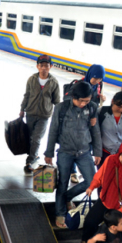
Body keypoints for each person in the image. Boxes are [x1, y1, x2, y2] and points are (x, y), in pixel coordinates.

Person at [44, 81, 102, 228]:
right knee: (62, 183)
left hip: (84, 152)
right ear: (73, 97)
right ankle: (60, 213)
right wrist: (49, 152)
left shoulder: (92, 108)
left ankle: (68, 197)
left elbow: (95, 131)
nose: (83, 104)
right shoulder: (61, 108)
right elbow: (53, 130)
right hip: (65, 152)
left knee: (92, 181)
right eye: (81, 101)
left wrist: (97, 152)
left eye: (87, 101)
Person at [20, 54, 61, 175]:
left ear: (51, 67)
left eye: (46, 66)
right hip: (30, 113)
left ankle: (30, 161)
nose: (44, 68)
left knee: (36, 138)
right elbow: (27, 95)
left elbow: (57, 101)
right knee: (30, 138)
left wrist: (58, 116)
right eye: (41, 65)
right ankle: (34, 155)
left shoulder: (54, 82)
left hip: (44, 115)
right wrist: (22, 109)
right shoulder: (32, 79)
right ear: (37, 66)